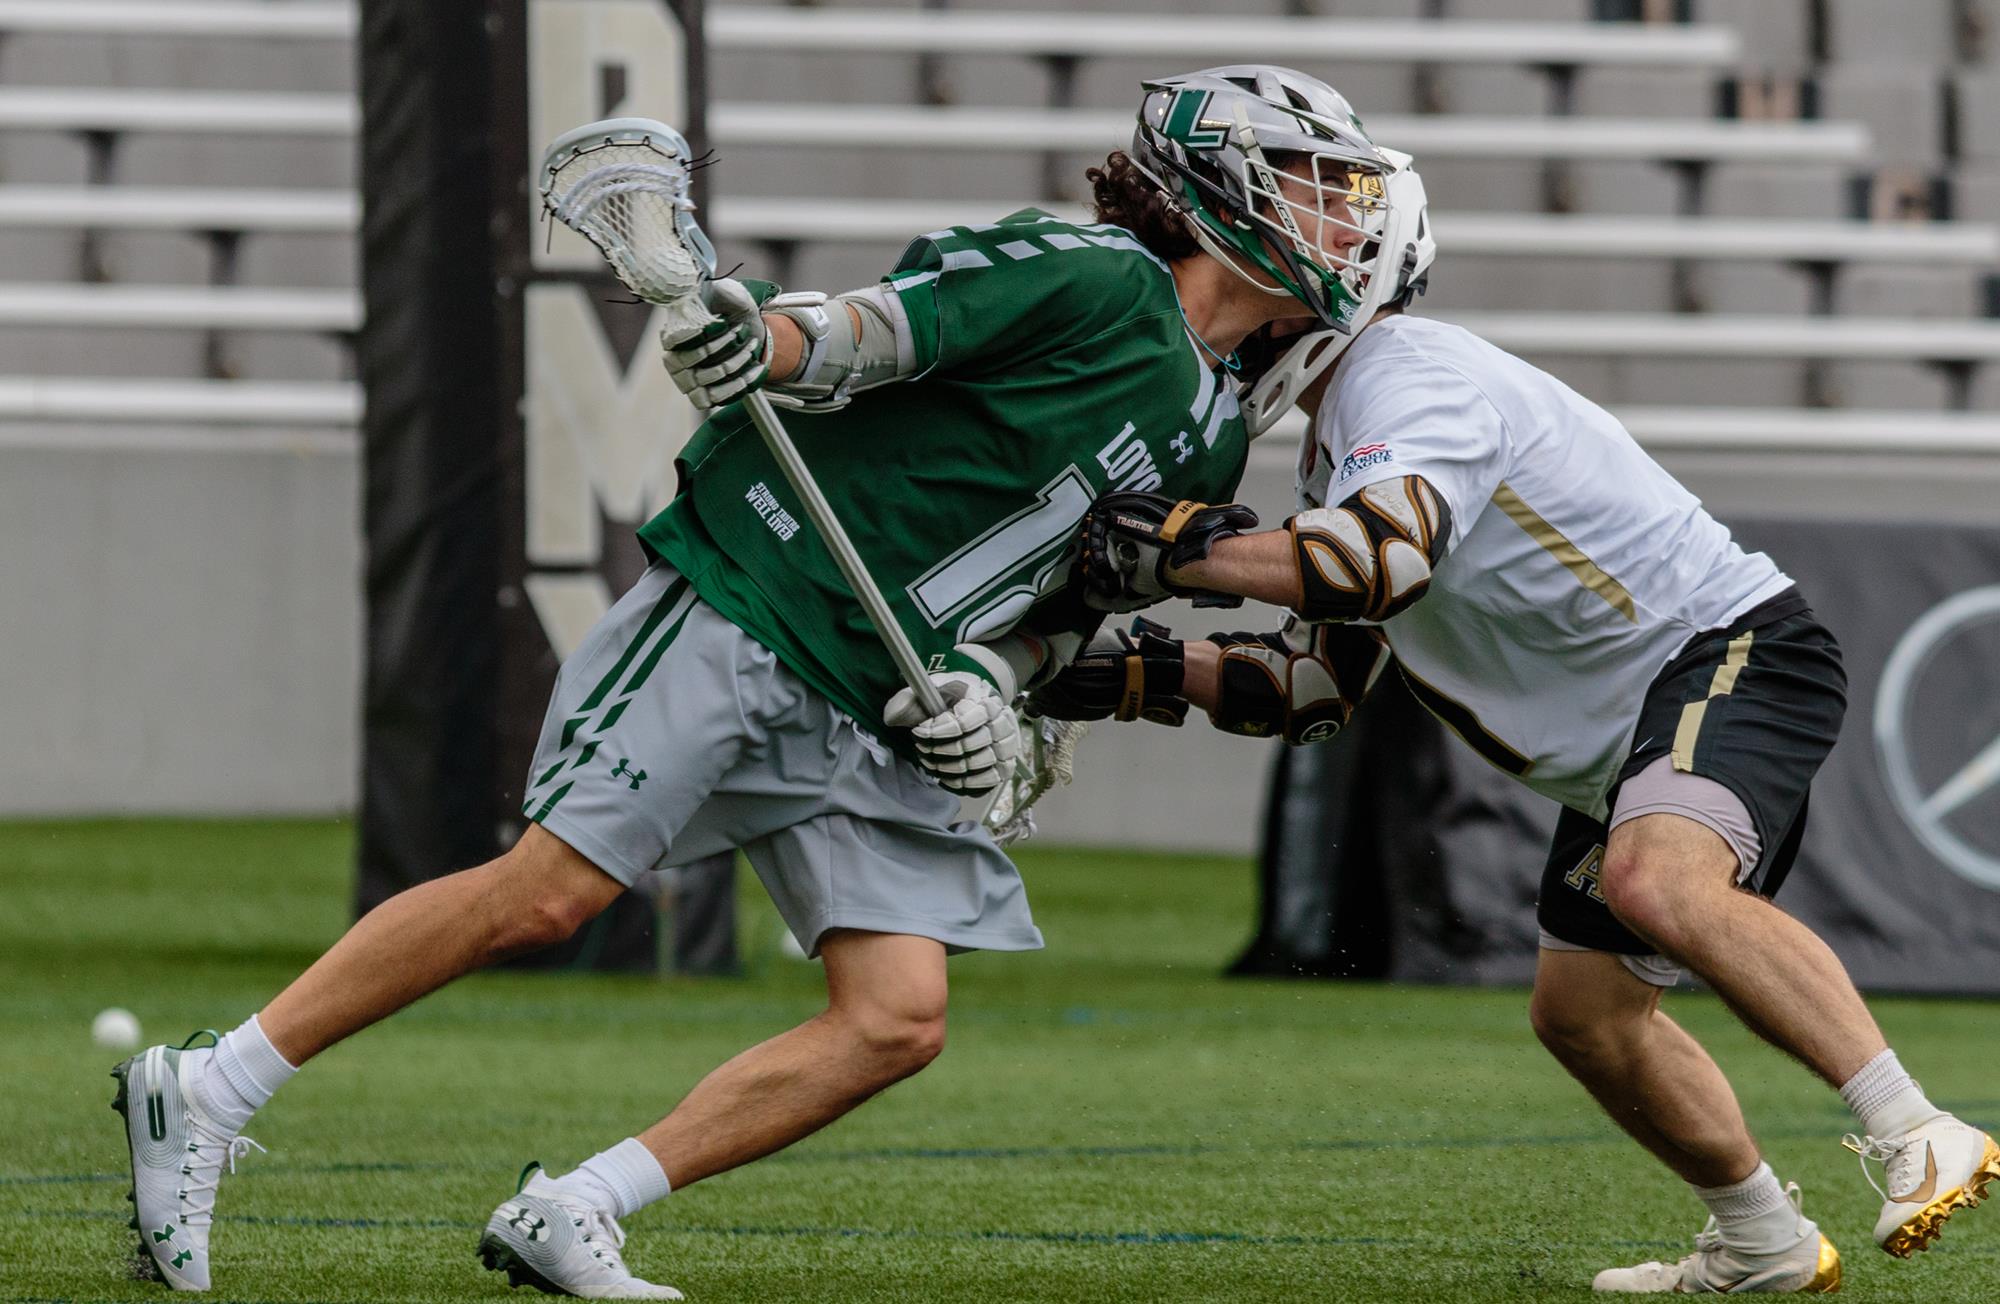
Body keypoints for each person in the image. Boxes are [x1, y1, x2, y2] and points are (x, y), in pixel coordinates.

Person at [110, 66, 1399, 1298]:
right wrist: (764, 341)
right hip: (764, 601)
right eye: (1319, 182)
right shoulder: (1097, 276)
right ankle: (210, 1086)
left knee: (894, 1017)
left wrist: (989, 687)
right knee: (548, 895)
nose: (1342, 220)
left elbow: (1059, 612)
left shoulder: (1213, 438)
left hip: (880, 704)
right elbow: (880, 330)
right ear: (1227, 173)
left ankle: (580, 1203)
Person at [1030, 140, 2000, 1294]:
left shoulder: (1403, 373)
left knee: (1653, 881)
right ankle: (1761, 1239)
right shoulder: (1345, 442)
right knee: (1582, 1014)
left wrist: (1176, 550)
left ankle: (1913, 1124)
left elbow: (1371, 560)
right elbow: (1308, 686)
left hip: (1725, 650)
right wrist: (1121, 670)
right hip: (1630, 734)